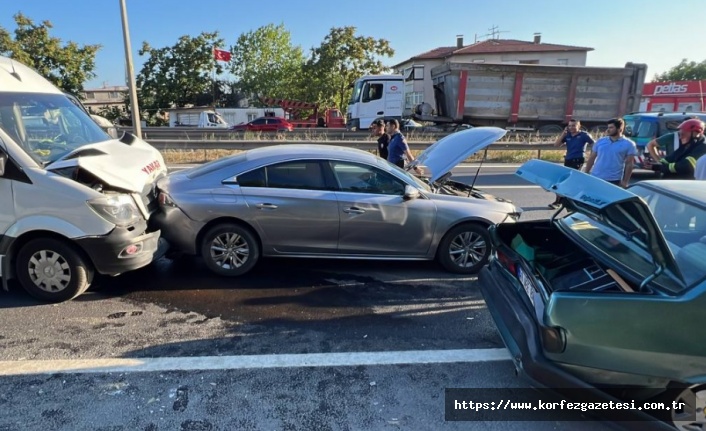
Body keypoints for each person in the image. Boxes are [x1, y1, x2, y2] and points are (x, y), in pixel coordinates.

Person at [549, 119, 595, 208]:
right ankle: (566, 201)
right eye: (569, 126)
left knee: (567, 181)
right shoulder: (568, 135)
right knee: (564, 180)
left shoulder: (584, 135)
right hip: (568, 160)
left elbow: (595, 145)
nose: (571, 128)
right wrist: (563, 134)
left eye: (573, 125)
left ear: (579, 126)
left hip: (578, 160)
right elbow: (556, 145)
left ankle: (559, 202)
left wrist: (592, 155)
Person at [583, 118, 637, 188]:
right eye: (608, 127)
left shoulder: (629, 144)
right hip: (596, 176)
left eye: (611, 127)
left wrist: (625, 181)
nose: (608, 130)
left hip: (614, 180)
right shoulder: (600, 141)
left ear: (620, 129)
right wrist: (586, 173)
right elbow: (592, 158)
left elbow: (629, 164)